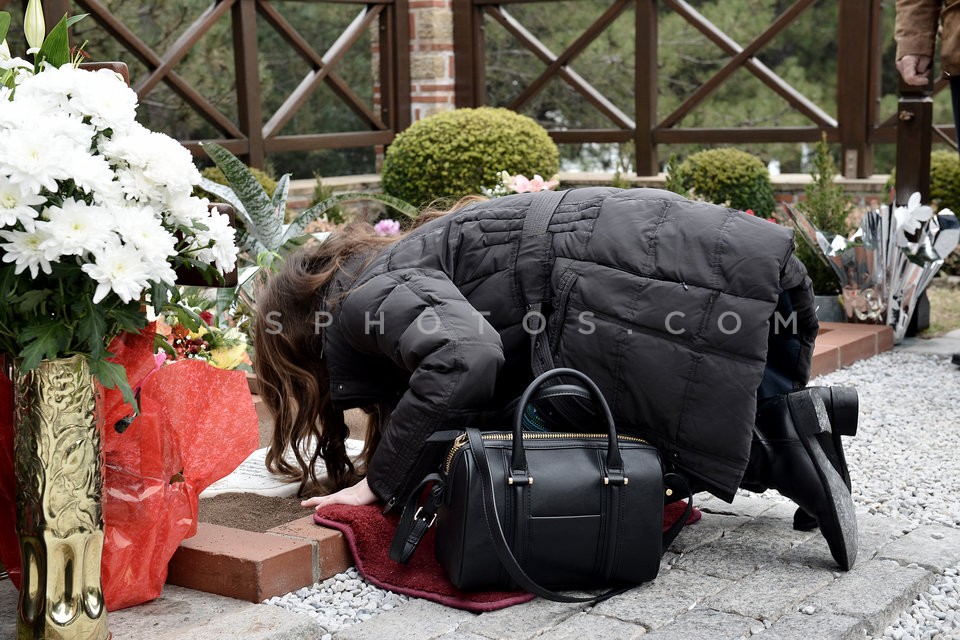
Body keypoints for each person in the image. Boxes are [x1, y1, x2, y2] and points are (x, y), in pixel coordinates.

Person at [254, 187, 859, 570]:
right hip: (692, 256)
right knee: (617, 405)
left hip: (612, 282)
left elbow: (463, 357)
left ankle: (781, 451)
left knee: (595, 424)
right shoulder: (399, 265)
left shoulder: (369, 298)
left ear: (305, 340)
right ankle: (803, 422)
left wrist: (379, 484)